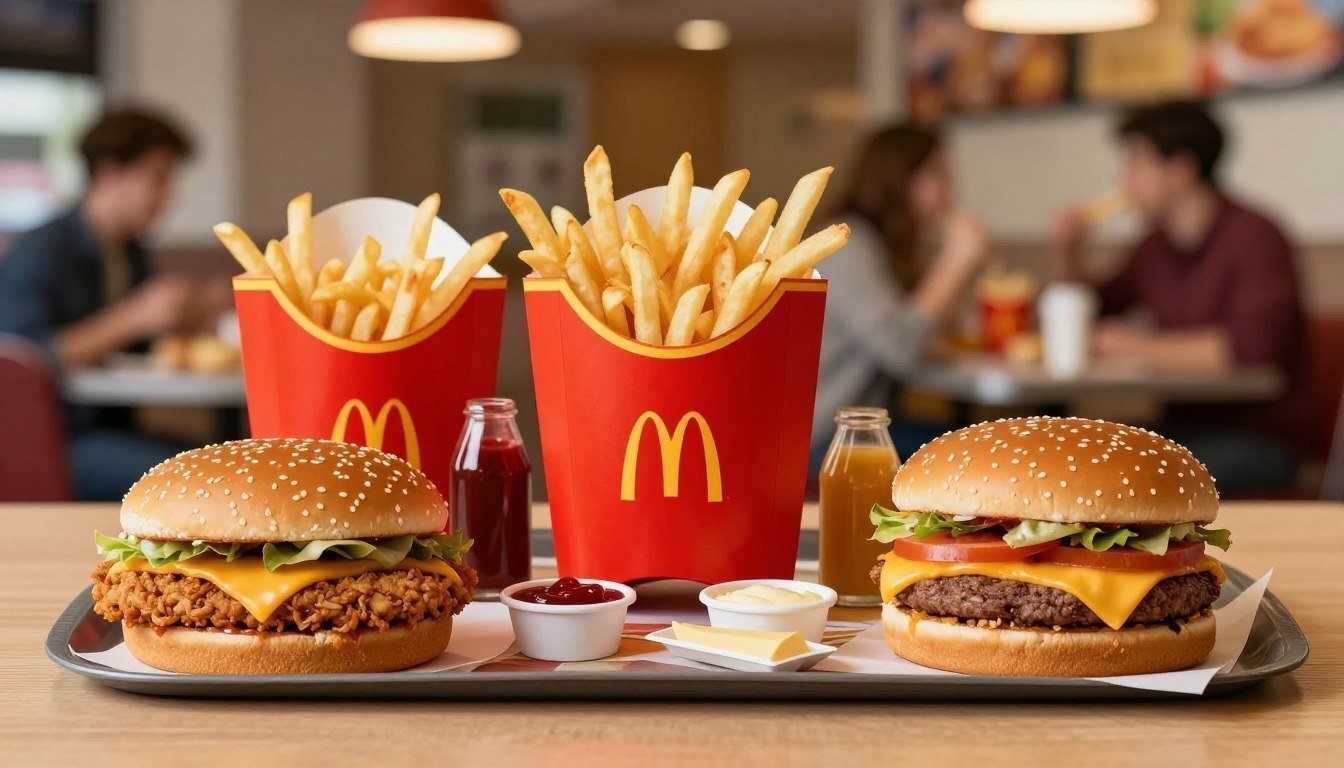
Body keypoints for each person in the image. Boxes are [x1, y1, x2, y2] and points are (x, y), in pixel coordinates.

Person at [1054, 100, 1311, 495]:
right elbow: (1093, 308)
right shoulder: (1153, 246)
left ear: (1181, 169)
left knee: (1130, 479)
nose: (1124, 180)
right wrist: (1072, 253)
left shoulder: (1255, 237)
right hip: (1184, 427)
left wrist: (1131, 346)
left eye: (1137, 163)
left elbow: (1251, 350)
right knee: (1085, 459)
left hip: (1261, 436)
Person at [0, 108, 201, 500]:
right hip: (52, 442)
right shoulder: (42, 249)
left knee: (223, 451)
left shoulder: (131, 251)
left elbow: (138, 350)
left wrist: (188, 318)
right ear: (110, 172)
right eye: (157, 178)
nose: (168, 196)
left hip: (113, 430)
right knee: (192, 474)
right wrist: (135, 317)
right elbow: (23, 360)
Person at [813, 124, 989, 464]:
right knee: (973, 453)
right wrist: (955, 261)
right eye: (939, 175)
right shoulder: (845, 243)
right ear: (900, 178)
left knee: (972, 440)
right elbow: (902, 348)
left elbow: (948, 334)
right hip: (823, 439)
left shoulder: (888, 247)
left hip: (862, 427)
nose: (951, 192)